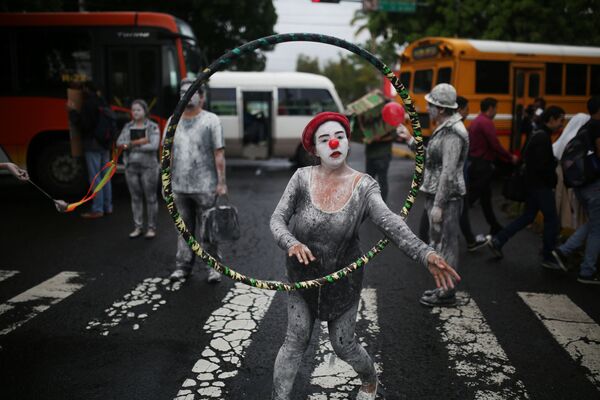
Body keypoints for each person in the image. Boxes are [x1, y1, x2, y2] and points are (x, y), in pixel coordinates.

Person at [270, 111, 459, 400]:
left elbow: (391, 223)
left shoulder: (364, 186)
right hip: (301, 277)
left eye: (340, 137)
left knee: (343, 344)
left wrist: (426, 253)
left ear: (348, 143)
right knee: (295, 340)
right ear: (315, 149)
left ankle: (369, 380)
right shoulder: (301, 178)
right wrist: (290, 242)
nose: (333, 143)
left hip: (342, 279)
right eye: (325, 139)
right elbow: (277, 220)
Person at [487, 106, 566, 270]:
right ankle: (547, 254)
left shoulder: (537, 133)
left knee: (528, 216)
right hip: (541, 186)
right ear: (550, 120)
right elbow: (542, 166)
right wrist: (553, 177)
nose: (562, 124)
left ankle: (499, 240)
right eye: (560, 120)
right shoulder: (543, 137)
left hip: (532, 185)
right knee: (552, 220)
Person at [168, 78, 227, 283]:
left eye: (192, 91)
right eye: (183, 91)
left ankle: (214, 268)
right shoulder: (172, 121)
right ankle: (183, 267)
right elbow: (168, 154)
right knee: (183, 229)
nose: (187, 95)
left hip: (205, 186)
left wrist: (221, 183)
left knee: (208, 229)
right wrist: (165, 182)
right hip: (179, 186)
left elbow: (218, 154)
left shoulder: (211, 120)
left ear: (201, 97)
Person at [415, 96, 488, 251]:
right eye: (466, 109)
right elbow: (445, 169)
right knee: (448, 218)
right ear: (458, 110)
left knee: (451, 215)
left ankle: (433, 245)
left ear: (441, 109)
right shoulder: (447, 130)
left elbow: (447, 169)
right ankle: (462, 242)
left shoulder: (452, 131)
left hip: (446, 187)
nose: (426, 108)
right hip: (446, 187)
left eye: (430, 105)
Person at [553, 96, 600, 284]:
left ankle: (564, 251)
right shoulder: (597, 126)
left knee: (594, 224)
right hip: (595, 185)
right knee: (597, 228)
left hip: (582, 185)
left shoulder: (584, 127)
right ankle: (587, 271)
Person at [467, 97, 518, 235]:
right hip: (482, 165)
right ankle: (457, 227)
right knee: (470, 199)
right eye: (496, 108)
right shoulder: (486, 122)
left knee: (485, 198)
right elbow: (495, 144)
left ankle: (495, 226)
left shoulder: (477, 120)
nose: (496, 111)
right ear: (490, 109)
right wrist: (509, 157)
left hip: (476, 163)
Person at [67, 81, 113, 219]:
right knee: (106, 177)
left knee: (95, 178)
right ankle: (108, 207)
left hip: (92, 144)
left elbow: (85, 125)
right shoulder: (102, 101)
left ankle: (97, 209)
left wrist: (73, 112)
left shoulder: (88, 103)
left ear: (86, 89)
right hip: (105, 144)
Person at [116, 99, 161, 239]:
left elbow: (154, 146)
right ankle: (138, 227)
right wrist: (140, 142)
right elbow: (119, 143)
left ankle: (152, 227)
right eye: (133, 110)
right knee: (135, 197)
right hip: (131, 167)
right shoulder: (127, 126)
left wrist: (130, 145)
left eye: (138, 110)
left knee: (151, 197)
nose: (135, 112)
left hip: (149, 167)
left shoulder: (153, 126)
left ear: (145, 111)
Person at [553, 113, 590, 231]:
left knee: (562, 207)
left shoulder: (564, 137)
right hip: (572, 180)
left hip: (560, 178)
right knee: (574, 209)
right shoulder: (577, 139)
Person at [364, 109, 396, 202]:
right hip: (370, 154)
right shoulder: (367, 119)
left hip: (382, 155)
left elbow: (393, 135)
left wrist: (378, 139)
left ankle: (382, 205)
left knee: (382, 181)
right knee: (369, 181)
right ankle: (369, 203)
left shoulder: (388, 118)